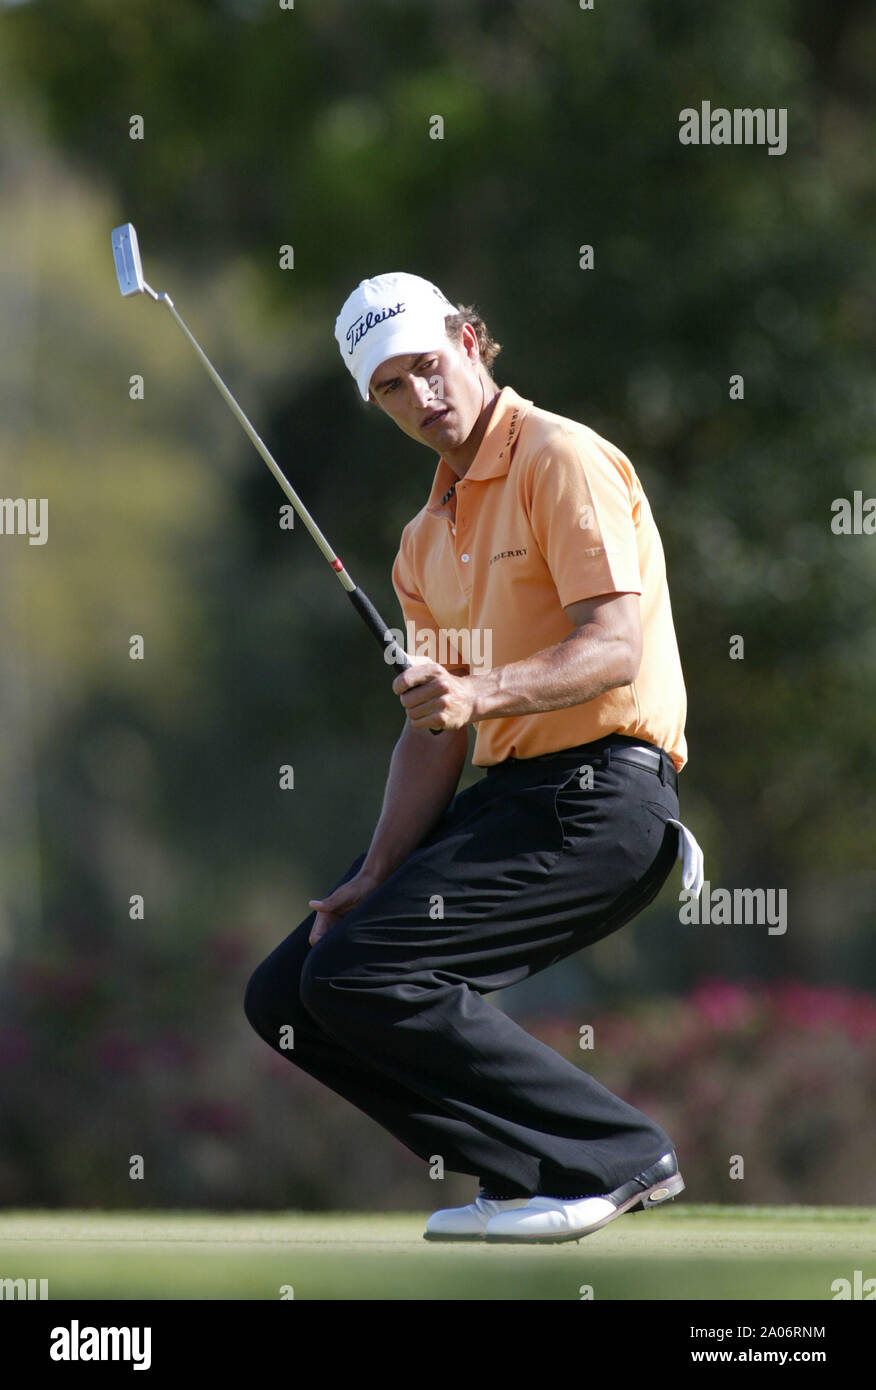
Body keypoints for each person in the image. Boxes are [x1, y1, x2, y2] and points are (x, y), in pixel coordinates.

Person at [243, 272, 704, 1244]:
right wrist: (374, 872)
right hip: (515, 797)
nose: (421, 400)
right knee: (296, 987)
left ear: (472, 338)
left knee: (370, 975)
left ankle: (614, 1155)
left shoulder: (558, 457)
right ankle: (522, 1171)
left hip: (603, 798)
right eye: (391, 390)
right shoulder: (422, 540)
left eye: (428, 368)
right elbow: (433, 728)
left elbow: (614, 644)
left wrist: (479, 692)